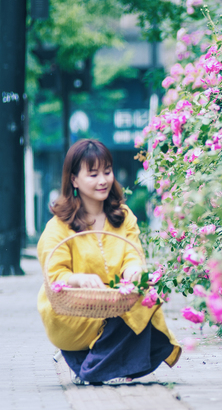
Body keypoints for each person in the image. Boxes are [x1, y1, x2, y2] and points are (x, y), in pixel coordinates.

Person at [37, 139, 181, 385]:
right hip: (72, 312)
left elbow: (132, 254)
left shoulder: (123, 217)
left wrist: (134, 270)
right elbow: (54, 272)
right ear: (74, 180)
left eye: (107, 172)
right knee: (131, 320)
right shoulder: (58, 226)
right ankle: (91, 368)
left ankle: (87, 359)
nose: (103, 180)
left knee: (153, 329)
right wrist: (78, 279)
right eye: (93, 174)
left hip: (112, 305)